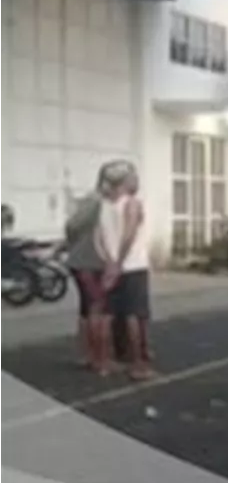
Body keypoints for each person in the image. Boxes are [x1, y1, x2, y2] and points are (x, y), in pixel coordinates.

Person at [95, 162, 156, 381]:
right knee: (134, 316)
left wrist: (108, 262)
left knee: (107, 314)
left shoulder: (104, 205)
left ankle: (103, 362)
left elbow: (99, 238)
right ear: (124, 182)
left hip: (112, 264)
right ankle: (138, 364)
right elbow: (129, 234)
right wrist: (118, 263)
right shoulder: (131, 204)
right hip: (133, 266)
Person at [63, 167, 109, 372]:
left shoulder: (99, 201)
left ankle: (87, 354)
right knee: (95, 307)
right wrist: (74, 245)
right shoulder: (96, 201)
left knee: (87, 308)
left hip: (88, 260)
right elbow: (72, 225)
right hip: (88, 261)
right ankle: (95, 358)